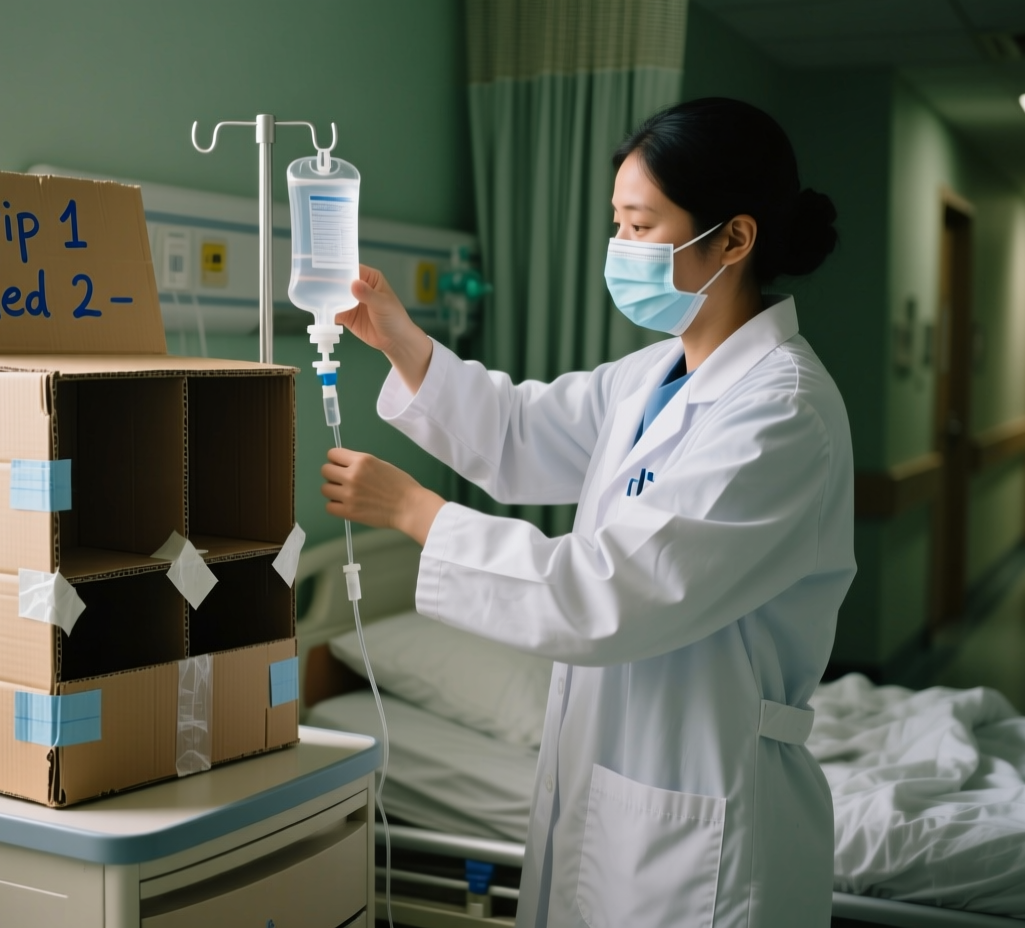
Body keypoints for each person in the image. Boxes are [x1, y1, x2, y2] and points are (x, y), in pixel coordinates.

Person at [319, 97, 854, 928]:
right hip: (612, 782)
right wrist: (402, 341)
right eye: (617, 223)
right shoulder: (652, 375)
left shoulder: (782, 413)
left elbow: (608, 594)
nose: (620, 250)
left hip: (702, 800)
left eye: (641, 226)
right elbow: (521, 430)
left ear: (735, 240)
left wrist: (423, 515)